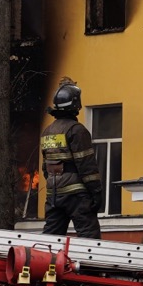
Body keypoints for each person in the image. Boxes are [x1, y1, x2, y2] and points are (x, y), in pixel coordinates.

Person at [40, 79, 105, 238]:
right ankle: (88, 264)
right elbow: (87, 165)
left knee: (51, 239)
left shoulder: (48, 131)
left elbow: (45, 168)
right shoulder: (77, 131)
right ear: (76, 104)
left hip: (54, 194)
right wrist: (96, 192)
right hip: (76, 195)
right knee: (89, 237)